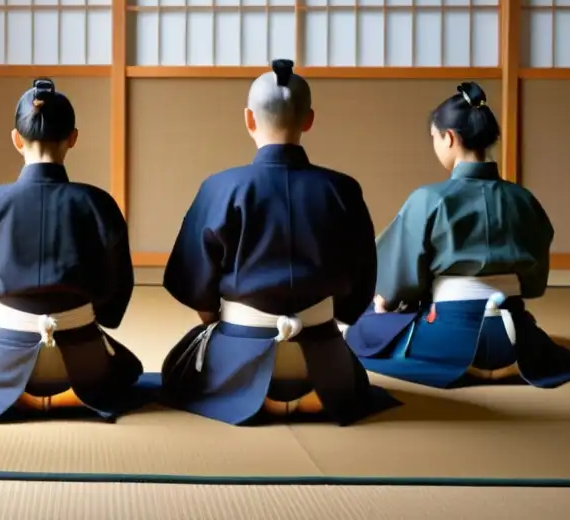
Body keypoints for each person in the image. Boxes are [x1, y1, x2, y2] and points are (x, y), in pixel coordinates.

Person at [159, 59, 400, 426]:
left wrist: (214, 315)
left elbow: (195, 284)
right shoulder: (342, 190)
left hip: (237, 358)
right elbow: (362, 279)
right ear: (309, 119)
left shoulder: (220, 188)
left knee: (177, 371)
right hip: (326, 365)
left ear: (249, 119)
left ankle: (250, 393)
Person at [345, 82, 570, 389]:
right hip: (515, 334)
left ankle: (466, 365)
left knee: (360, 328)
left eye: (435, 138)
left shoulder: (429, 198)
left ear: (449, 138)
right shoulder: (523, 199)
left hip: (448, 334)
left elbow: (396, 282)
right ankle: (510, 363)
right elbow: (533, 282)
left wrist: (386, 301)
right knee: (530, 338)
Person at [0, 78, 144, 423]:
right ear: (73, 138)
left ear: (17, 139)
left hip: (1, 360)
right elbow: (115, 291)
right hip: (85, 361)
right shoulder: (98, 204)